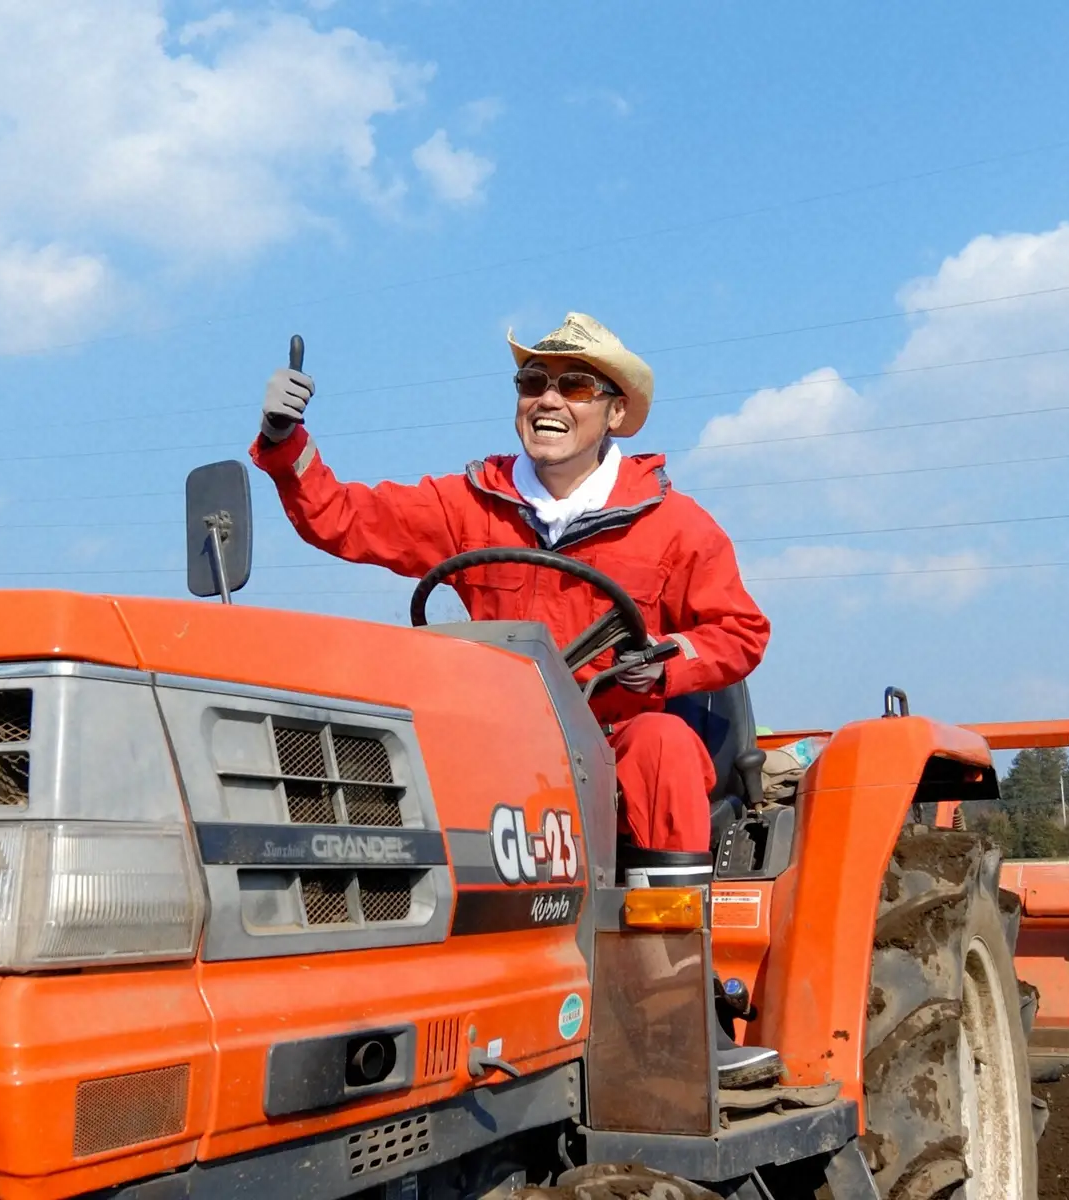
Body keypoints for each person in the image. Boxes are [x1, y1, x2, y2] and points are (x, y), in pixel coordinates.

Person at [251, 313, 778, 1085]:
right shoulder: (470, 505)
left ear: (615, 412)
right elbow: (344, 518)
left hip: (614, 740)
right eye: (532, 383)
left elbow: (739, 630)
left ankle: (679, 1003)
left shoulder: (673, 524)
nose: (548, 399)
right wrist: (286, 442)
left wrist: (662, 663)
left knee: (664, 748)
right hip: (509, 746)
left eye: (573, 385)